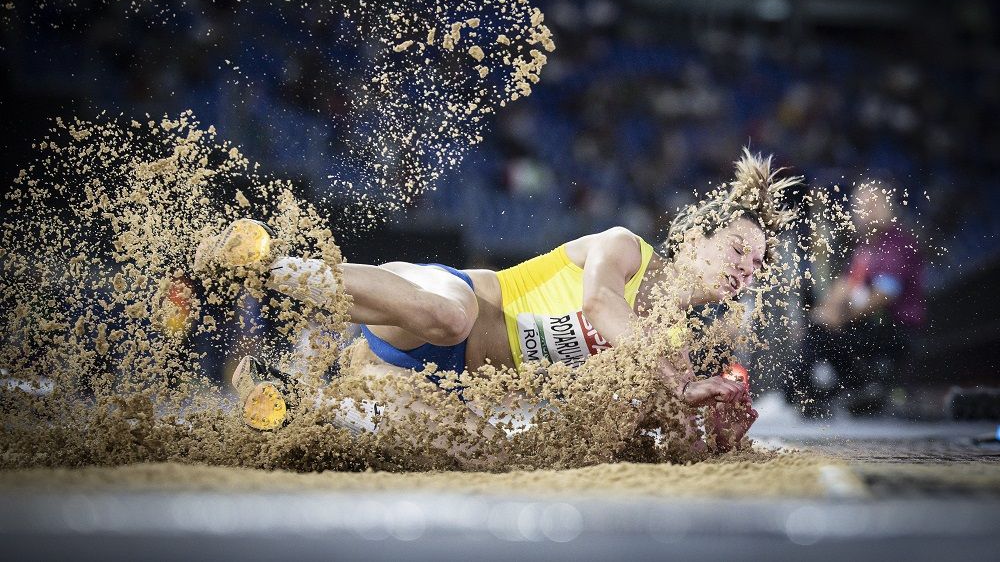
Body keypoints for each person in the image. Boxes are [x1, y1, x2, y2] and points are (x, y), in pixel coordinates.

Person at [199, 149, 800, 453]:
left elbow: (627, 426)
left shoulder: (669, 343)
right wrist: (677, 381)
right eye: (738, 251)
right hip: (443, 299)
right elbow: (599, 309)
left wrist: (707, 428)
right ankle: (266, 261)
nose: (746, 271)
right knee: (450, 317)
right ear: (695, 238)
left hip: (446, 376)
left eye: (757, 265)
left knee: (467, 447)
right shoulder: (625, 249)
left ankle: (290, 393)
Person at [794, 180, 926, 416]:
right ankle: (846, 391)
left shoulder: (897, 243)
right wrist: (819, 315)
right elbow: (844, 286)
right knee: (816, 327)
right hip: (868, 325)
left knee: (825, 332)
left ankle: (805, 395)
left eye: (874, 203)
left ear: (890, 206)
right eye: (861, 204)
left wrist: (839, 317)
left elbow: (884, 294)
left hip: (895, 327)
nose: (867, 210)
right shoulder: (865, 247)